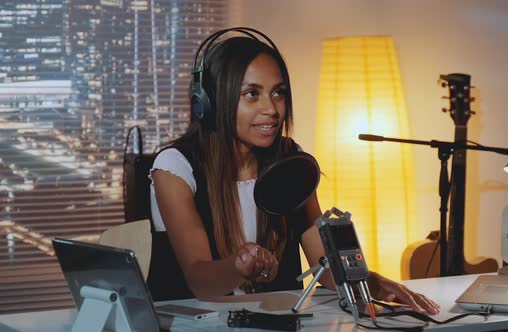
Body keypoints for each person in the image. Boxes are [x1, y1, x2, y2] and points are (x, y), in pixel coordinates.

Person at [147, 28, 440, 315]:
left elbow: (325, 264)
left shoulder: (289, 160)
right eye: (252, 94)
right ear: (209, 103)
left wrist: (375, 284)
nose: (272, 109)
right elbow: (200, 281)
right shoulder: (174, 167)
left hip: (274, 321)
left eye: (278, 93)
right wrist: (237, 266)